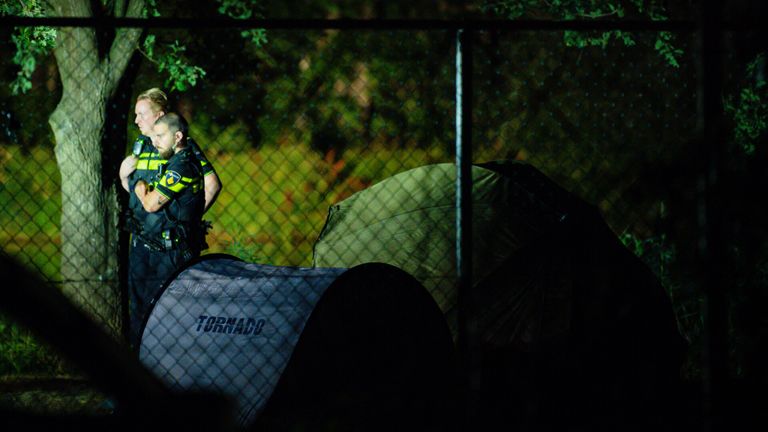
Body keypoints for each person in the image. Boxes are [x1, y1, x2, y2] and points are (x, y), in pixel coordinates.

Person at [127, 113, 207, 348]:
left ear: (178, 136)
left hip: (173, 254)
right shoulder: (175, 162)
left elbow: (152, 204)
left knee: (166, 314)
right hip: (159, 249)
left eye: (161, 136)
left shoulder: (182, 167)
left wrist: (141, 190)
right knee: (146, 310)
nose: (155, 141)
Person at [119, 88, 222, 213]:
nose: (136, 120)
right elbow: (138, 192)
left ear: (160, 115)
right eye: (136, 115)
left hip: (169, 230)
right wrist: (123, 178)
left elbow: (213, 185)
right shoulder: (141, 145)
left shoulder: (182, 145)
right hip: (144, 230)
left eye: (141, 114)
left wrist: (190, 221)